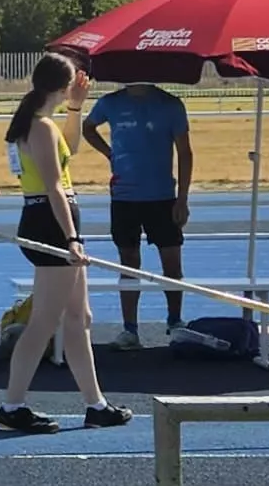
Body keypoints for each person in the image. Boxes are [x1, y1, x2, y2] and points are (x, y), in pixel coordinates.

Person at [0, 55, 132, 435]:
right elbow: (55, 185)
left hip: (56, 221)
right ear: (60, 84)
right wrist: (71, 237)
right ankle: (12, 405)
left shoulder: (46, 125)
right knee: (44, 321)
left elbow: (69, 148)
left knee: (79, 318)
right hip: (50, 224)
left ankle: (95, 404)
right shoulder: (38, 128)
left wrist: (75, 108)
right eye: (72, 84)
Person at [81, 79, 193, 347]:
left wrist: (183, 199)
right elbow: (88, 128)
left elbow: (185, 152)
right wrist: (110, 154)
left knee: (171, 262)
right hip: (124, 196)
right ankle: (130, 329)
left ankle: (175, 321)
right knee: (128, 262)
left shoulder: (170, 104)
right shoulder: (110, 102)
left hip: (162, 196)